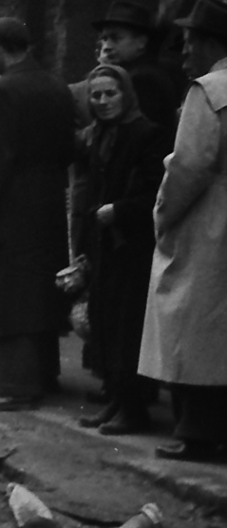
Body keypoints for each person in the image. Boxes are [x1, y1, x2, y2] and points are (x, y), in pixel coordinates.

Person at [0, 17, 76, 410]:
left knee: (5, 295)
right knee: (40, 290)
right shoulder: (55, 84)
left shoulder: (4, 91)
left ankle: (12, 383)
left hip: (9, 208)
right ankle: (44, 375)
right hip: (47, 201)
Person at [139, 0, 227, 461]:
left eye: (190, 41)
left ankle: (197, 429)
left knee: (192, 325)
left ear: (212, 42)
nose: (184, 52)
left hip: (207, 220)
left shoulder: (208, 91)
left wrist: (163, 214)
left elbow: (190, 166)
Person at [70, 64, 167, 435]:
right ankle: (117, 400)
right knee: (107, 323)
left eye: (110, 93)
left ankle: (133, 408)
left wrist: (119, 211)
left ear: (126, 94)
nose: (103, 101)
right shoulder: (100, 136)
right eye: (96, 95)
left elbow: (155, 192)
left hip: (133, 246)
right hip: (106, 246)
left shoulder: (146, 135)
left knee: (127, 328)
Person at [91, 0, 180, 131]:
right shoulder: (141, 71)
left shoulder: (141, 79)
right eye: (104, 39)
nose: (107, 46)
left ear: (141, 42)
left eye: (116, 38)